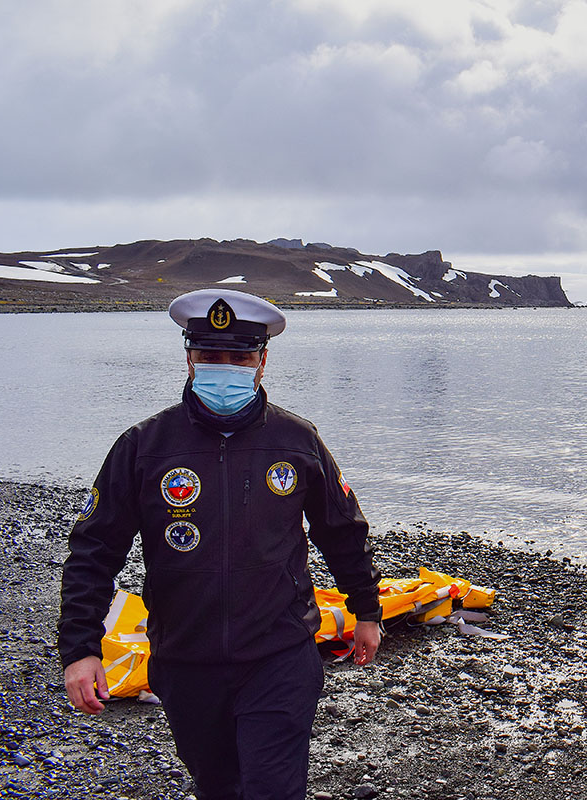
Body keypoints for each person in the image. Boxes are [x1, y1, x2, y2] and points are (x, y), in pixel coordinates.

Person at [58, 289, 384, 800]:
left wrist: (366, 609)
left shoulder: (297, 441)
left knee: (272, 788)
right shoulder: (144, 446)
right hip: (185, 659)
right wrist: (80, 649)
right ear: (189, 357)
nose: (224, 367)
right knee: (218, 786)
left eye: (239, 356)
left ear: (262, 361)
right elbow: (94, 550)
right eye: (210, 354)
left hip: (279, 654)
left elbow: (341, 530)